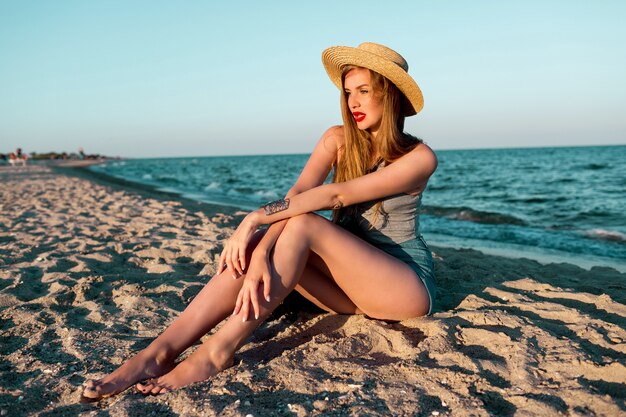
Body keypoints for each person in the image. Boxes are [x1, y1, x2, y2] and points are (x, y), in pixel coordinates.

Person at [81, 42, 438, 400]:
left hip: (401, 286)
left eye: (364, 91)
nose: (353, 103)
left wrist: (253, 218)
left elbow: (334, 197)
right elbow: (297, 195)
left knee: (303, 225)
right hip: (345, 288)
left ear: (389, 95)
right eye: (348, 93)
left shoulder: (418, 158)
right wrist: (261, 249)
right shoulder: (337, 139)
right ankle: (157, 353)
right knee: (259, 245)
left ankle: (217, 352)